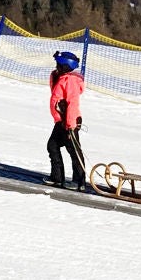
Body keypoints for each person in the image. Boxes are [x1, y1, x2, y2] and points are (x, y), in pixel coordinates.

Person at [46, 50, 87, 189]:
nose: (56, 66)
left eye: (58, 64)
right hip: (61, 121)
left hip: (69, 121)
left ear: (65, 66)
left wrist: (70, 125)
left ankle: (79, 181)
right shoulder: (62, 78)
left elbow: (72, 103)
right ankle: (57, 178)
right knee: (52, 146)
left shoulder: (71, 81)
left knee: (74, 151)